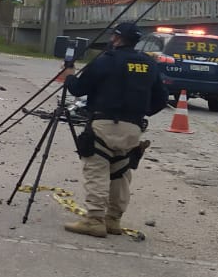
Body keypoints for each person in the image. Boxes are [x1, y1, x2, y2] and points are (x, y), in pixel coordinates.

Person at [61, 21, 167, 238]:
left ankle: (94, 220)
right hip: (133, 128)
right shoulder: (149, 64)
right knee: (120, 172)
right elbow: (161, 99)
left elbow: (79, 88)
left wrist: (69, 73)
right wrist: (141, 114)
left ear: (116, 38)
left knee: (97, 169)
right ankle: (113, 220)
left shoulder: (105, 60)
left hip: (104, 123)